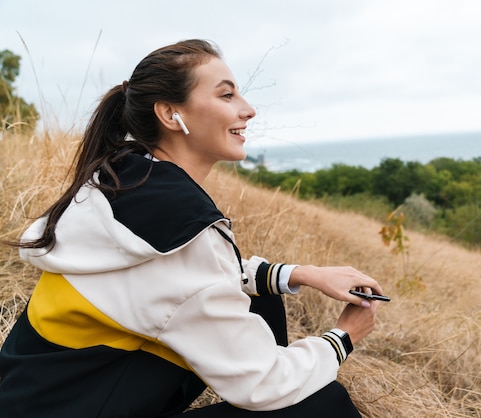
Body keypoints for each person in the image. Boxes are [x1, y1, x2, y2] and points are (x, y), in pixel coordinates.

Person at [0, 39, 384, 417]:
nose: (248, 110)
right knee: (322, 405)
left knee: (260, 296)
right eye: (226, 95)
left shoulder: (119, 181)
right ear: (170, 115)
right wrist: (342, 338)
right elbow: (263, 382)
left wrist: (301, 274)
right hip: (78, 405)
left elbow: (182, 281)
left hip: (37, 395)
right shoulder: (182, 226)